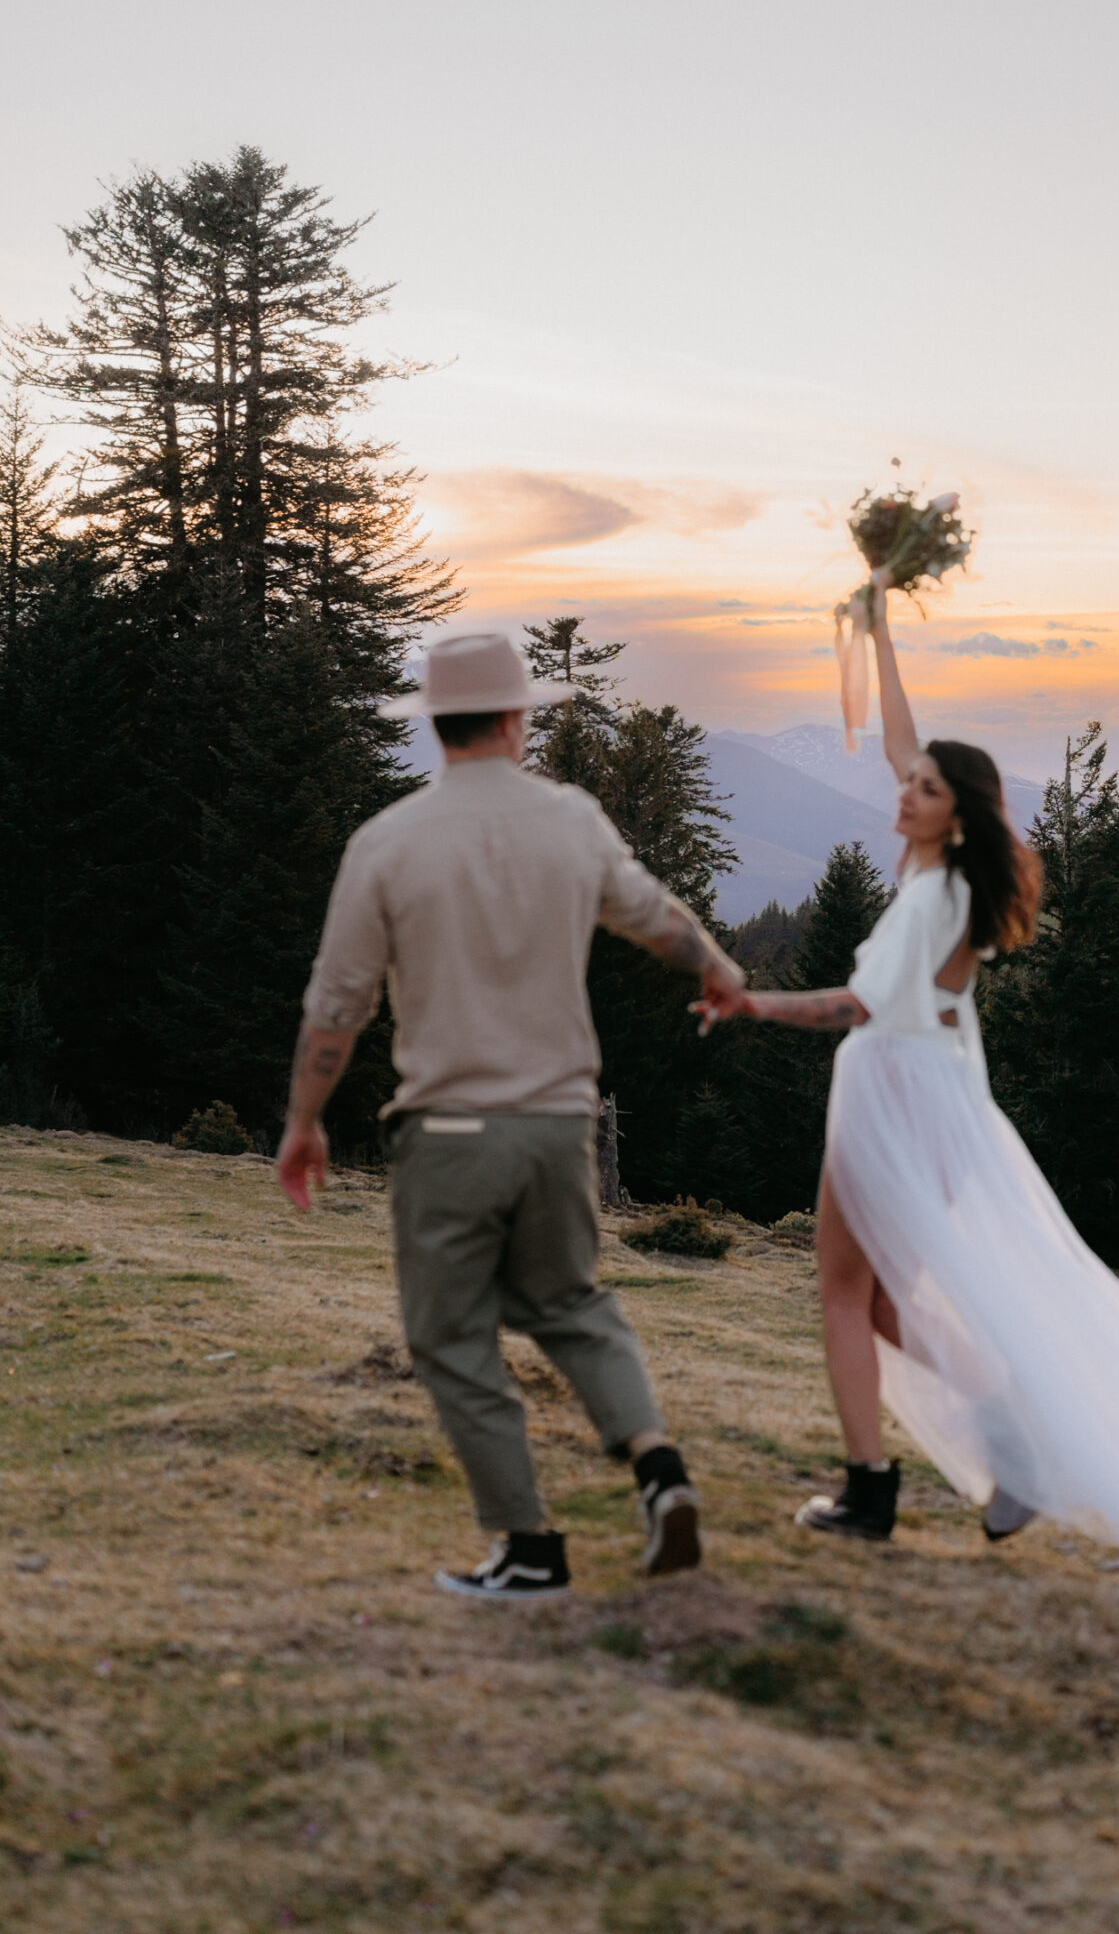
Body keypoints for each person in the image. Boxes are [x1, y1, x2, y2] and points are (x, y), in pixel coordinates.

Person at [695, 589, 1119, 1641]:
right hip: (934, 1095)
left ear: (955, 813)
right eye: (909, 781)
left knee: (842, 1291)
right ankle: (1015, 1439)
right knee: (886, 1306)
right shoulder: (945, 867)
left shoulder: (936, 893)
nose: (902, 790)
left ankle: (867, 1492)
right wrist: (878, 626)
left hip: (890, 1086)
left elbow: (855, 1005)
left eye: (923, 789)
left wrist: (749, 999)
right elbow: (898, 740)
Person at [276, 630, 747, 1601]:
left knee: (452, 1336)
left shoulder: (388, 841)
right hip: (559, 1124)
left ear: (436, 724)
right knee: (572, 1303)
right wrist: (718, 969)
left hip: (449, 1133)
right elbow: (656, 915)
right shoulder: (570, 818)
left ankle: (529, 1547)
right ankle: (658, 1468)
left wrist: (304, 1120)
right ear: (516, 717)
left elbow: (337, 1005)